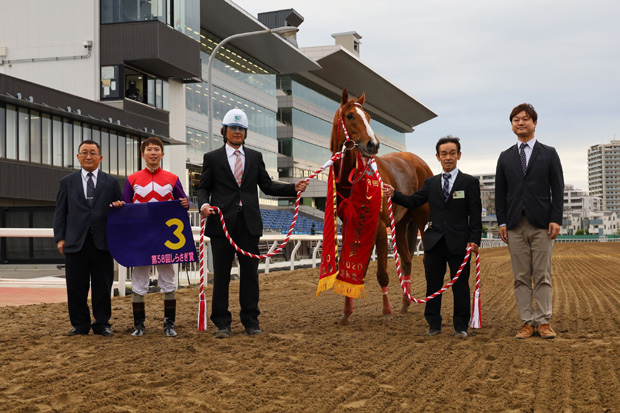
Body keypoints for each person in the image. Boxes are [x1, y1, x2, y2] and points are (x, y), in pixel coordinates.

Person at [198, 108, 308, 338]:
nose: (237, 132)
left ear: (245, 132)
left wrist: (293, 187)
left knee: (250, 275)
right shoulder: (212, 158)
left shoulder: (255, 157)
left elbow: (267, 186)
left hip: (248, 223)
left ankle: (251, 321)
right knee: (221, 275)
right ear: (224, 131)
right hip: (221, 224)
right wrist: (204, 205)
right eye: (233, 128)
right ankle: (222, 323)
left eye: (241, 128)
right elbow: (203, 188)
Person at [383, 136, 482, 338]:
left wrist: (474, 240)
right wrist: (394, 194)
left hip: (460, 243)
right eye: (444, 154)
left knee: (460, 286)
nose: (448, 157)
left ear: (459, 155)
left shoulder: (469, 182)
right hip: (434, 242)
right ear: (438, 157)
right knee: (433, 285)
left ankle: (461, 326)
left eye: (452, 153)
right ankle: (433, 324)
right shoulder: (431, 183)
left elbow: (475, 214)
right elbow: (413, 201)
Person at [495, 103, 564, 340]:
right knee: (521, 277)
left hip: (542, 224)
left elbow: (557, 188)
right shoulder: (505, 157)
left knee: (543, 275)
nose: (520, 122)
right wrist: (502, 222)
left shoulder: (549, 153)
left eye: (525, 119)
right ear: (512, 125)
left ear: (534, 123)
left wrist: (556, 218)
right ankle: (527, 323)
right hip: (514, 224)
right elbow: (500, 193)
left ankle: (544, 322)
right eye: (516, 119)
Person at [120, 137, 189, 337]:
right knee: (139, 277)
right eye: (149, 149)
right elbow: (125, 206)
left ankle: (169, 324)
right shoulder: (132, 179)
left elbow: (183, 202)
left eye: (156, 149)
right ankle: (139, 325)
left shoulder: (172, 178)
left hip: (165, 237)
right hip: (141, 236)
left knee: (167, 277)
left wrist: (186, 203)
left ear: (162, 154)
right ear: (143, 154)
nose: (153, 152)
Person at [54, 140, 123, 337]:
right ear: (78, 157)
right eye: (84, 152)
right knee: (76, 286)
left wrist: (119, 206)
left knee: (103, 286)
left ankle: (102, 324)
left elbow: (119, 211)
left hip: (103, 242)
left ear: (100, 157)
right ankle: (80, 324)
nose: (88, 156)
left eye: (93, 153)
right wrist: (60, 238)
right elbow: (60, 212)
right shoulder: (67, 182)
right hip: (75, 242)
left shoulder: (111, 182)